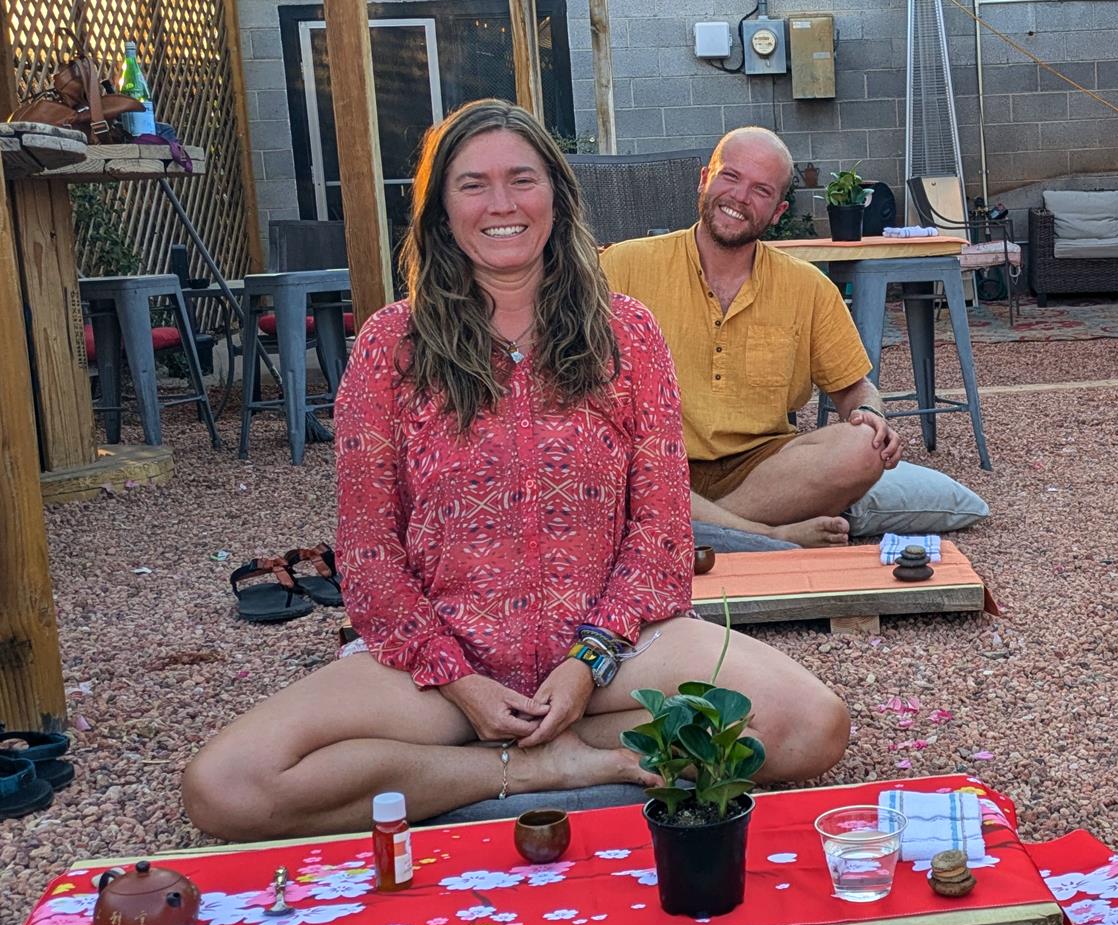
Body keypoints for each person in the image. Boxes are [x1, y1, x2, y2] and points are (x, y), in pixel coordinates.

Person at [183, 101, 848, 842]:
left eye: (521, 180)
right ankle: (540, 770)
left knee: (811, 726)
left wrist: (586, 662)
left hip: (614, 655)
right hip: (444, 663)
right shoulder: (389, 346)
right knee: (226, 787)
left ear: (556, 196)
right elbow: (369, 553)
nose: (501, 204)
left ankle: (469, 769)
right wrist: (455, 677)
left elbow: (661, 534)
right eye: (473, 184)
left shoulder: (626, 333)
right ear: (440, 209)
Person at [599, 126, 900, 547]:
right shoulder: (623, 266)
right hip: (654, 461)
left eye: (760, 190)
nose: (739, 197)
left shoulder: (807, 287)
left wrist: (872, 414)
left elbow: (855, 388)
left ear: (778, 211)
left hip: (762, 471)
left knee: (864, 447)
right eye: (730, 176)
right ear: (705, 179)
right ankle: (760, 534)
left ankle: (705, 530)